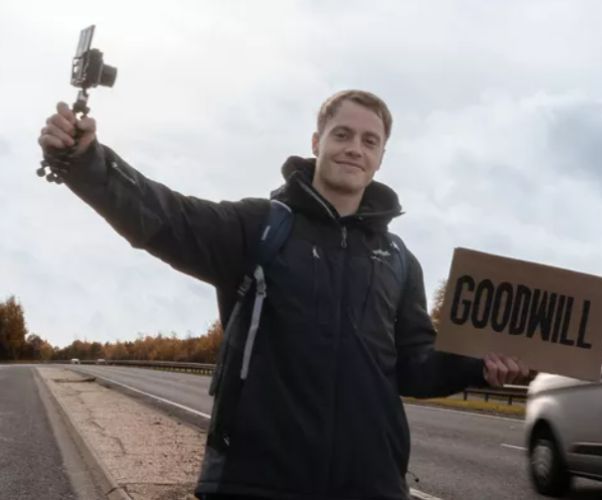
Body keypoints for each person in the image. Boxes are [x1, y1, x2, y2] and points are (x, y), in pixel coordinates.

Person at [38, 90, 530, 500]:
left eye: (369, 140)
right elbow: (165, 216)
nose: (354, 147)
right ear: (317, 141)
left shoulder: (400, 259)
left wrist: (475, 366)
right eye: (341, 134)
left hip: (372, 486)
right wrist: (86, 161)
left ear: (381, 157)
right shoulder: (258, 227)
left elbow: (415, 365)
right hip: (258, 484)